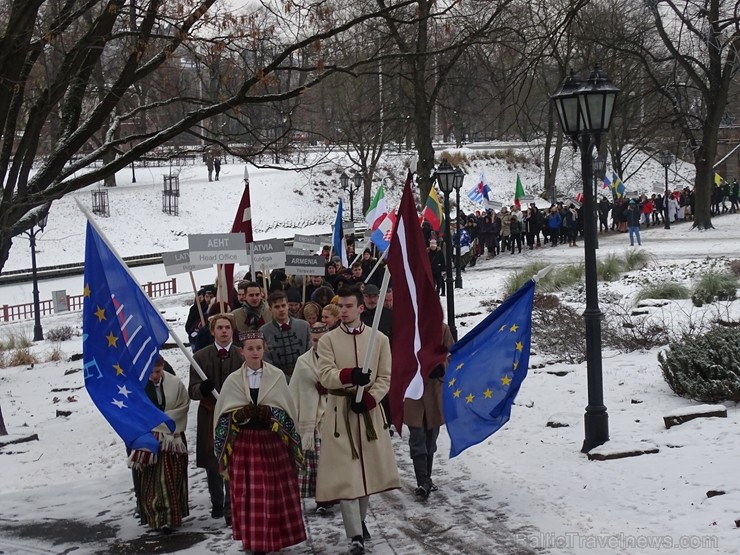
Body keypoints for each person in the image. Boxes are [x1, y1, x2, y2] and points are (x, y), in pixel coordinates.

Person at [315, 287, 401, 555]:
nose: (343, 311)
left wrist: (370, 398)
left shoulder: (380, 340)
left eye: (348, 306)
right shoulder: (328, 340)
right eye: (340, 306)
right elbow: (325, 375)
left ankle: (360, 520)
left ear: (361, 308)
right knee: (347, 477)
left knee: (367, 474)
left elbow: (385, 376)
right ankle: (354, 535)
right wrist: (350, 375)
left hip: (368, 414)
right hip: (340, 413)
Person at [213, 330, 306, 554]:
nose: (255, 352)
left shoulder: (276, 376)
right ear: (242, 352)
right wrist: (238, 415)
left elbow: (287, 410)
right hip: (245, 445)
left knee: (273, 491)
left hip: (272, 442)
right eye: (250, 349)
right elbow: (223, 415)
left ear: (264, 349)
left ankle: (277, 536)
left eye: (258, 348)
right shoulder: (233, 380)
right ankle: (254, 540)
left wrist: (270, 413)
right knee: (249, 493)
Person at [188, 313, 244, 526]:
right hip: (209, 413)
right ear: (212, 331)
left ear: (232, 331)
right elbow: (191, 391)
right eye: (219, 328)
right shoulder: (200, 357)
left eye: (227, 328)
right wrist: (202, 389)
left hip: (236, 414)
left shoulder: (241, 354)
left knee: (234, 460)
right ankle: (217, 502)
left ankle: (232, 507)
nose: (223, 331)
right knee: (213, 461)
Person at [129, 356, 190, 533]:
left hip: (173, 438)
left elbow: (182, 406)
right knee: (153, 480)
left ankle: (172, 516)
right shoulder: (136, 386)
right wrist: (152, 425)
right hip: (148, 440)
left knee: (173, 477)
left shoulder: (175, 383)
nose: (154, 376)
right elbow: (135, 411)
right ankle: (157, 518)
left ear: (163, 368)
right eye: (150, 372)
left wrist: (160, 423)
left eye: (157, 371)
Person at [289, 322, 333, 514]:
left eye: (322, 340)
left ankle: (336, 493)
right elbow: (296, 390)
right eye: (315, 340)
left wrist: (330, 386)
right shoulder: (303, 362)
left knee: (335, 458)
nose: (318, 344)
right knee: (317, 459)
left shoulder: (338, 358)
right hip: (312, 418)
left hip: (333, 414)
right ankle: (321, 498)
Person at [405, 322, 454, 498]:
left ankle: (427, 477)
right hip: (413, 392)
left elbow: (450, 355)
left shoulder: (442, 329)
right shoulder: (406, 329)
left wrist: (441, 367)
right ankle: (422, 481)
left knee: (430, 438)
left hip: (434, 391)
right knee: (417, 436)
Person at [260, 290, 311, 381]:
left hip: (304, 376)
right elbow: (266, 361)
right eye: (277, 307)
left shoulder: (304, 326)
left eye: (283, 305)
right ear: (270, 309)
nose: (281, 309)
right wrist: (283, 378)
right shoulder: (264, 332)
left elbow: (310, 353)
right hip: (278, 380)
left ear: (287, 306)